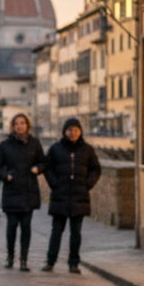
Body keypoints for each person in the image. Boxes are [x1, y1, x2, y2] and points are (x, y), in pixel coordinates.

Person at [42, 117, 101, 274]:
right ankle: (50, 261)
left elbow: (96, 169)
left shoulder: (87, 149)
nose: (72, 133)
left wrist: (87, 184)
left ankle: (74, 263)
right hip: (60, 196)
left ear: (80, 132)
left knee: (76, 233)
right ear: (64, 131)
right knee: (56, 231)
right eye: (69, 130)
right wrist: (54, 183)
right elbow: (48, 168)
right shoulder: (56, 149)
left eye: (75, 130)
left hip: (79, 197)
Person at [0, 113, 45, 270]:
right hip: (12, 190)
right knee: (12, 225)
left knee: (26, 226)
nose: (20, 126)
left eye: (22, 123)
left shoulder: (35, 143)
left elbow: (44, 162)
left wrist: (38, 168)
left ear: (27, 125)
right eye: (16, 124)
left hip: (29, 189)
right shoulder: (5, 145)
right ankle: (10, 257)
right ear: (13, 126)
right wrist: (6, 176)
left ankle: (24, 259)